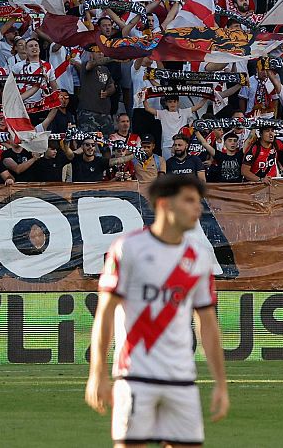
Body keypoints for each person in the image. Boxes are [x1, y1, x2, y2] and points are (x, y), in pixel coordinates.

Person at [85, 174, 228, 447]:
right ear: (164, 204)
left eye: (198, 202)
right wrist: (97, 374)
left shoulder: (199, 258)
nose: (197, 208)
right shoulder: (128, 248)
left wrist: (220, 383)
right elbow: (105, 313)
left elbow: (207, 323)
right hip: (135, 376)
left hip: (182, 378)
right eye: (188, 200)